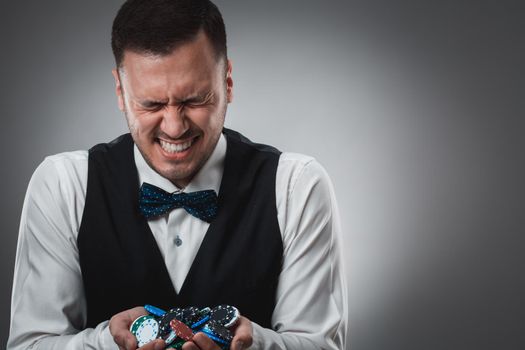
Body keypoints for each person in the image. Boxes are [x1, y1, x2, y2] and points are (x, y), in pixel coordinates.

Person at [7, 0, 347, 349]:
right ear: (121, 92)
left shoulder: (297, 186)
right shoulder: (63, 185)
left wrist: (254, 343)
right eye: (152, 104)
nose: (174, 127)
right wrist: (107, 342)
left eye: (194, 100)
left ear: (227, 81)